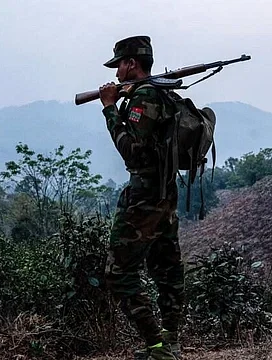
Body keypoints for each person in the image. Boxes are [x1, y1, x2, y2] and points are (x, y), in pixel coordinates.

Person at [98, 35, 184, 360]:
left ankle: (158, 348)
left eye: (119, 64)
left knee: (119, 275)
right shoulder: (160, 92)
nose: (116, 72)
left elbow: (132, 152)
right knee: (167, 269)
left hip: (144, 197)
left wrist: (109, 109)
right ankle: (170, 342)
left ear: (131, 63)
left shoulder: (144, 96)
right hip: (165, 194)